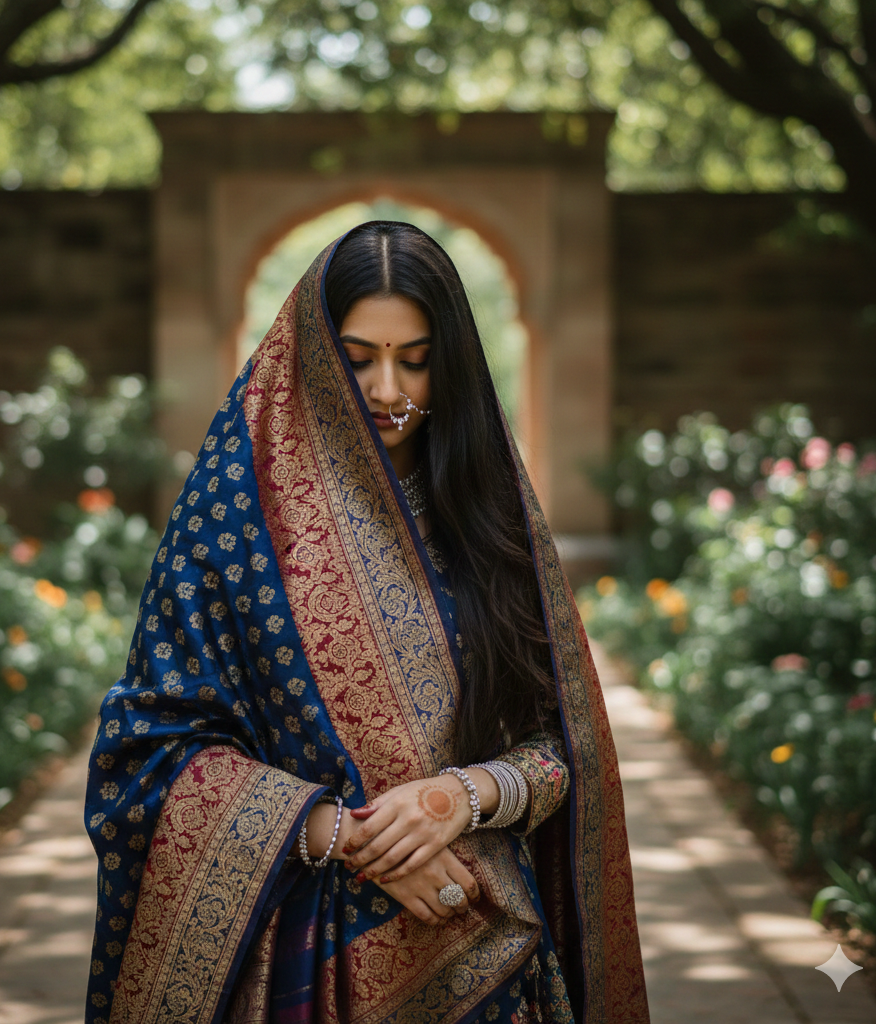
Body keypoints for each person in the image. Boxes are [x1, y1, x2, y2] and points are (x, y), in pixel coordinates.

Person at [84, 221, 649, 1024]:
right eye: (359, 360)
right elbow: (146, 754)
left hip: (481, 958)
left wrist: (461, 797)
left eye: (414, 360)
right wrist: (347, 836)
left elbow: (563, 751)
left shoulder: (487, 522)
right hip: (298, 963)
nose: (388, 390)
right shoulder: (234, 522)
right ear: (314, 360)